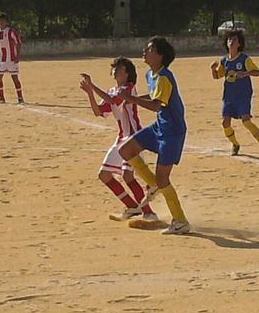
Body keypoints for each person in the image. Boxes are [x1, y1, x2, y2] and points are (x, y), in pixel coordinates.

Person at [118, 37, 190, 235]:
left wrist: (130, 98)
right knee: (126, 150)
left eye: (149, 49)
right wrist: (133, 99)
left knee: (163, 177)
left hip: (172, 131)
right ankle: (153, 184)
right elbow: (154, 96)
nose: (144, 51)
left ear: (160, 55)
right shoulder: (151, 74)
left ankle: (180, 221)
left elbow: (157, 105)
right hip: (160, 126)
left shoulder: (165, 77)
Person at [79, 57, 157, 222]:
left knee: (128, 176)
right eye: (114, 68)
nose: (115, 71)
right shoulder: (113, 90)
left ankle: (149, 213)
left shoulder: (128, 88)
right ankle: (132, 207)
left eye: (119, 68)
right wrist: (90, 93)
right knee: (104, 175)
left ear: (127, 73)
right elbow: (98, 111)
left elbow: (114, 101)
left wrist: (92, 86)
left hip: (134, 138)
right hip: (121, 138)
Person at [210, 30, 259, 157]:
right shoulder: (224, 61)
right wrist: (213, 69)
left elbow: (257, 72)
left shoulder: (244, 59)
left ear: (239, 44)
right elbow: (217, 76)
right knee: (225, 123)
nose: (231, 42)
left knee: (246, 121)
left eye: (234, 40)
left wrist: (245, 73)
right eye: (229, 40)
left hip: (243, 95)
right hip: (229, 96)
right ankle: (235, 144)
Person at [0, 13, 24, 104]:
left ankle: (20, 98)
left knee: (14, 78)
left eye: (3, 20)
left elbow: (18, 43)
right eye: (0, 21)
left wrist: (17, 56)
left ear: (6, 22)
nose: (1, 22)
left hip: (11, 59)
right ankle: (1, 98)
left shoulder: (11, 31)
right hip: (2, 59)